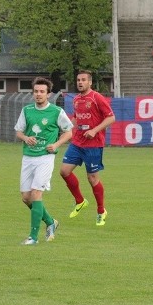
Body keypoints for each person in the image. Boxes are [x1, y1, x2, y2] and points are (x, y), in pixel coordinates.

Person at [14, 77, 73, 245]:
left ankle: (33, 237)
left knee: (36, 194)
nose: (38, 94)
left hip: (45, 158)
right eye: (36, 91)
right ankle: (50, 222)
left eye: (42, 92)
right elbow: (18, 131)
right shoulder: (27, 110)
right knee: (26, 198)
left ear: (48, 94)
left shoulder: (56, 112)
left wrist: (56, 144)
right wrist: (26, 138)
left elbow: (69, 131)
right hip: (28, 157)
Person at [60, 70, 115, 226]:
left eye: (83, 80)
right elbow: (77, 118)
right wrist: (68, 131)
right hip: (77, 143)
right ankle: (80, 201)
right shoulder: (76, 99)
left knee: (92, 179)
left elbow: (111, 117)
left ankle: (101, 211)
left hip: (93, 144)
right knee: (64, 171)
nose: (80, 82)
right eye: (78, 80)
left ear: (90, 82)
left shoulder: (97, 98)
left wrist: (94, 130)